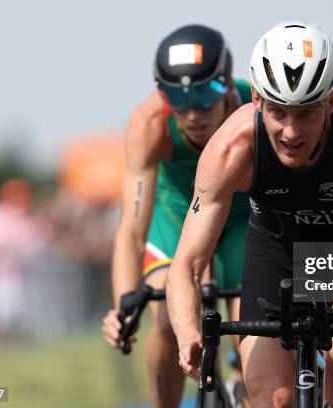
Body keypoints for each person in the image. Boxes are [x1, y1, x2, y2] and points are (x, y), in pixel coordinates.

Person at [166, 23, 333, 408]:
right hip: (273, 254)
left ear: (330, 102)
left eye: (305, 113)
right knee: (275, 400)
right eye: (278, 112)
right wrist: (188, 334)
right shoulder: (232, 147)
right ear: (256, 100)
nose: (290, 131)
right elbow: (186, 263)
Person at [100, 24, 252, 408]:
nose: (191, 112)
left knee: (250, 327)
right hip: (176, 212)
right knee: (168, 319)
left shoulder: (256, 109)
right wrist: (123, 305)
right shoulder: (150, 124)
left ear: (227, 88)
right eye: (177, 99)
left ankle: (243, 378)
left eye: (204, 96)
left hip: (238, 215)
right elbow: (132, 231)